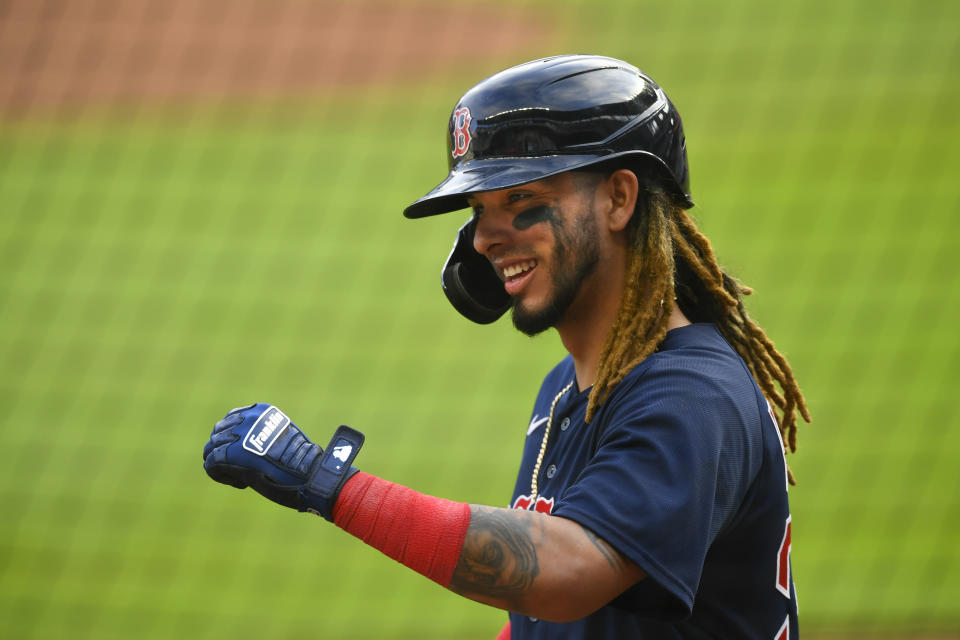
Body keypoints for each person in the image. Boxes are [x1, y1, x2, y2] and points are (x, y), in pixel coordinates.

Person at [202, 54, 810, 639]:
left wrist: (330, 484)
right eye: (478, 209)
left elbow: (567, 572)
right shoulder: (564, 390)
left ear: (619, 198)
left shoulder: (691, 398)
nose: (487, 238)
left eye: (521, 199)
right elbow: (548, 617)